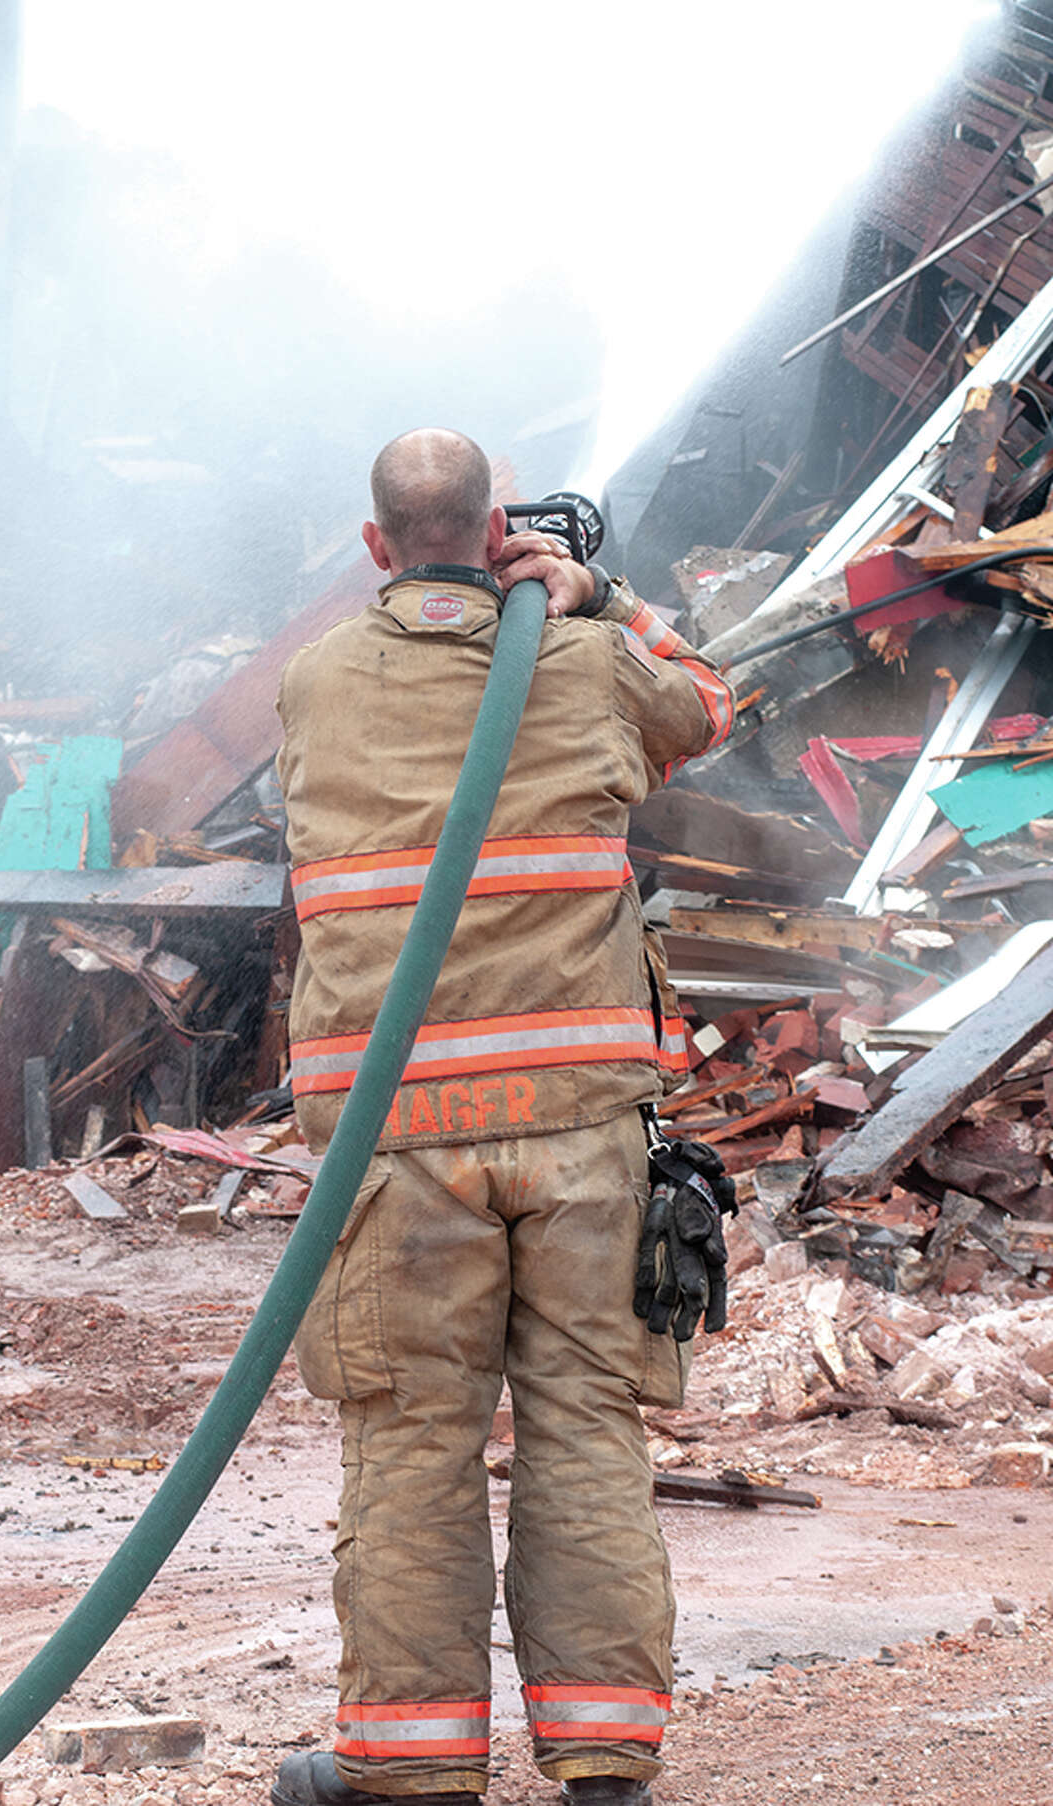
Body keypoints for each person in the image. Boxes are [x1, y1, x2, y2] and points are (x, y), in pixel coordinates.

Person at [271, 429, 734, 1806]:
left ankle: (407, 1768)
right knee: (585, 1420)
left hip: (392, 1140)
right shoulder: (589, 667)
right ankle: (603, 1758)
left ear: (373, 546)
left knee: (413, 1430)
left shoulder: (311, 682)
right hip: (580, 1126)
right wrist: (606, 597)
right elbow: (710, 702)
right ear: (493, 535)